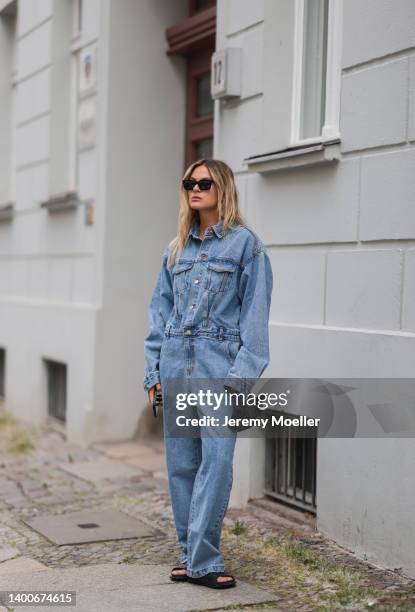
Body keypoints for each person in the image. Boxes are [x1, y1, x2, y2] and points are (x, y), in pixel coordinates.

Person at [143, 158, 273, 589]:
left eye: (204, 182)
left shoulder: (246, 247)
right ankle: (190, 556)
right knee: (182, 465)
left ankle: (204, 559)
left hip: (220, 369)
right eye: (189, 183)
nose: (194, 189)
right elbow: (160, 314)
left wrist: (239, 381)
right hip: (177, 363)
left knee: (215, 464)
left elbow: (255, 321)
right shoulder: (175, 249)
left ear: (223, 188)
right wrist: (153, 373)